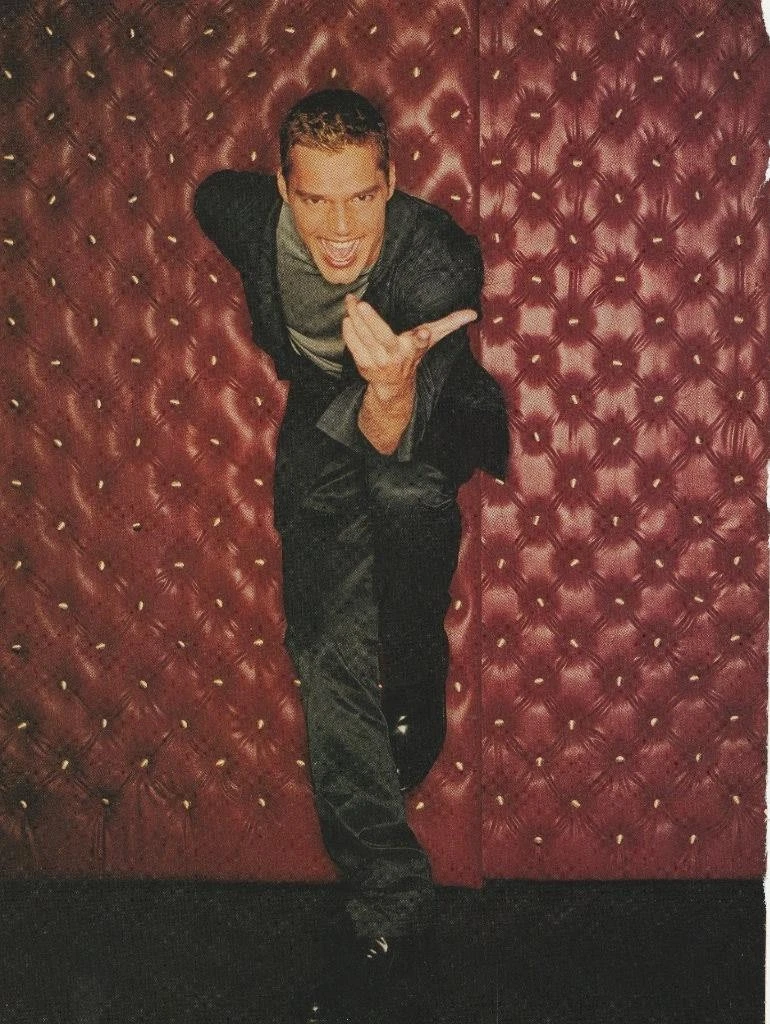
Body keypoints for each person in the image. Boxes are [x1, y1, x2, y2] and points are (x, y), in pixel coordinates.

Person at [194, 89, 508, 1022]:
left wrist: (392, 383)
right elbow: (212, 196)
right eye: (316, 199)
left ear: (392, 183)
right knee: (326, 638)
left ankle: (413, 674)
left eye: (362, 197)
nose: (340, 229)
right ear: (283, 189)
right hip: (319, 413)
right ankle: (389, 892)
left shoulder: (435, 262)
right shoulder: (251, 217)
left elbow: (386, 435)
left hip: (423, 398)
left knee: (407, 494)